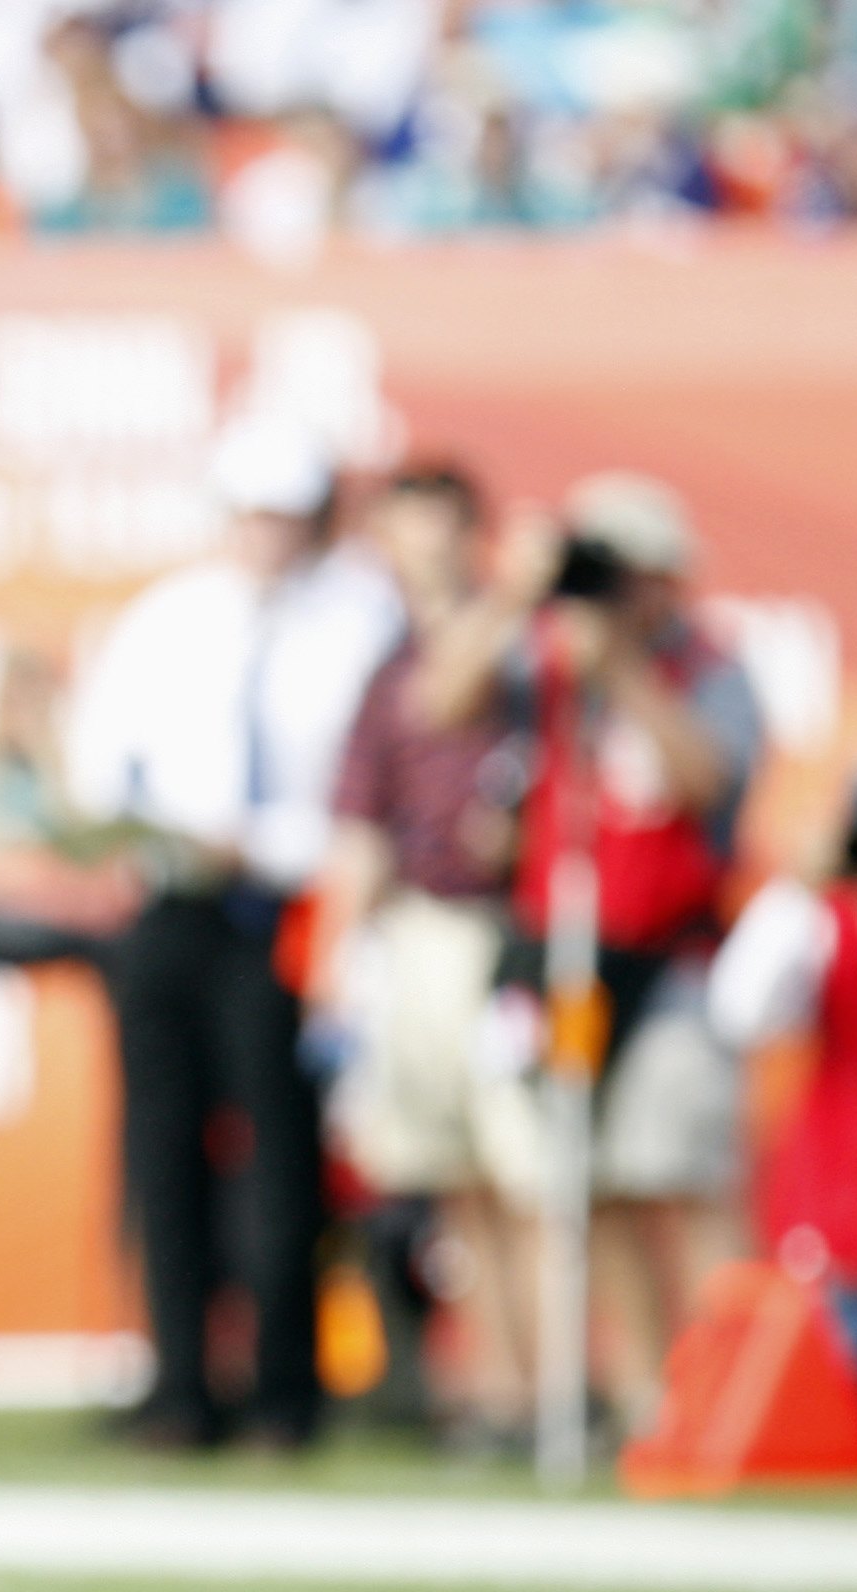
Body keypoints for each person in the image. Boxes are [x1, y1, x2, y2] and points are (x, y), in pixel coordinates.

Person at [62, 417, 405, 1450]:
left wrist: (260, 843)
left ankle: (284, 1390)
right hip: (169, 906)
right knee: (161, 1148)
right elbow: (99, 756)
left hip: (281, 908)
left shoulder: (360, 620)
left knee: (280, 1153)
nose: (269, 536)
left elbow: (366, 790)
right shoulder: (170, 616)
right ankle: (178, 1384)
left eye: (287, 517)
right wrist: (137, 836)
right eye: (254, 516)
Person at [441, 473, 765, 1412]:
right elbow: (443, 701)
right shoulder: (545, 664)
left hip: (668, 960)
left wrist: (620, 665)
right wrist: (515, 591)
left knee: (684, 1172)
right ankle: (649, 1395)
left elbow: (707, 782)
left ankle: (740, 1396)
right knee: (597, 1176)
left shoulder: (710, 667)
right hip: (569, 965)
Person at [302, 464, 534, 1437]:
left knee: (526, 1173)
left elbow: (454, 695)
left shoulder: (525, 646)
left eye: (438, 529)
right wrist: (331, 966)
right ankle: (498, 1387)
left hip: (511, 932)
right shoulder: (383, 667)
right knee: (451, 1179)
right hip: (421, 930)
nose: (423, 551)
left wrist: (517, 589)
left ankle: (559, 1385)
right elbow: (359, 825)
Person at [707, 757, 857, 1462]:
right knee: (844, 1413)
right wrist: (797, 890)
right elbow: (739, 1008)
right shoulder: (823, 920)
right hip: (840, 1193)